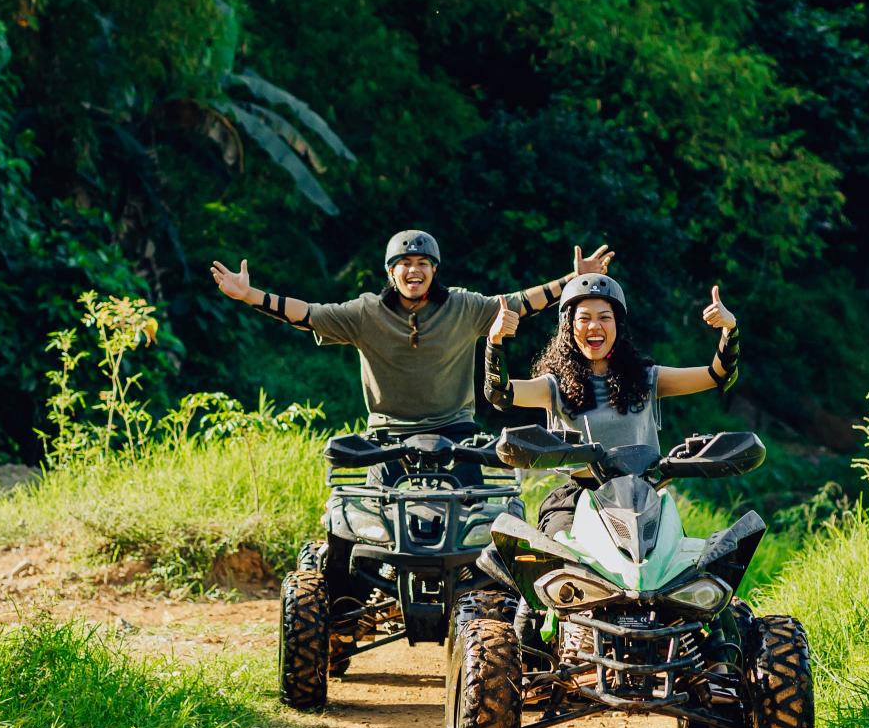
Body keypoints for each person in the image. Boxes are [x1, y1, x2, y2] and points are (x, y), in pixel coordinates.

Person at [210, 231, 614, 615]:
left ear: (434, 269)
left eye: (423, 262)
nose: (413, 270)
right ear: (391, 271)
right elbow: (309, 315)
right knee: (352, 531)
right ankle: (343, 613)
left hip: (458, 436)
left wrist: (576, 281)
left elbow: (521, 302)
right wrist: (248, 295)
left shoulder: (464, 307)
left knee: (495, 527)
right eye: (404, 263)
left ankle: (505, 620)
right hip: (387, 438)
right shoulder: (366, 312)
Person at [481, 273, 740, 538]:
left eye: (604, 317)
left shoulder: (648, 378)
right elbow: (499, 393)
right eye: (584, 318)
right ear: (569, 325)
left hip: (643, 501)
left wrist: (729, 330)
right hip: (577, 501)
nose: (595, 326)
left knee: (680, 563)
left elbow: (718, 375)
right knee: (556, 554)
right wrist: (495, 341)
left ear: (618, 325)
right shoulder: (553, 385)